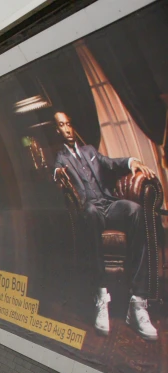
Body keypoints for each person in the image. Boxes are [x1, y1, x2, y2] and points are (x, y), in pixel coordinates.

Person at [52, 111, 158, 341]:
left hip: (107, 204)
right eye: (62, 125)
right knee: (90, 212)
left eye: (69, 124)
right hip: (89, 210)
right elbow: (56, 172)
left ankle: (138, 302)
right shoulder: (61, 158)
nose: (68, 129)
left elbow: (110, 163)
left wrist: (132, 161)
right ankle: (101, 296)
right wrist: (58, 175)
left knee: (136, 211)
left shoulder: (90, 151)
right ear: (57, 130)